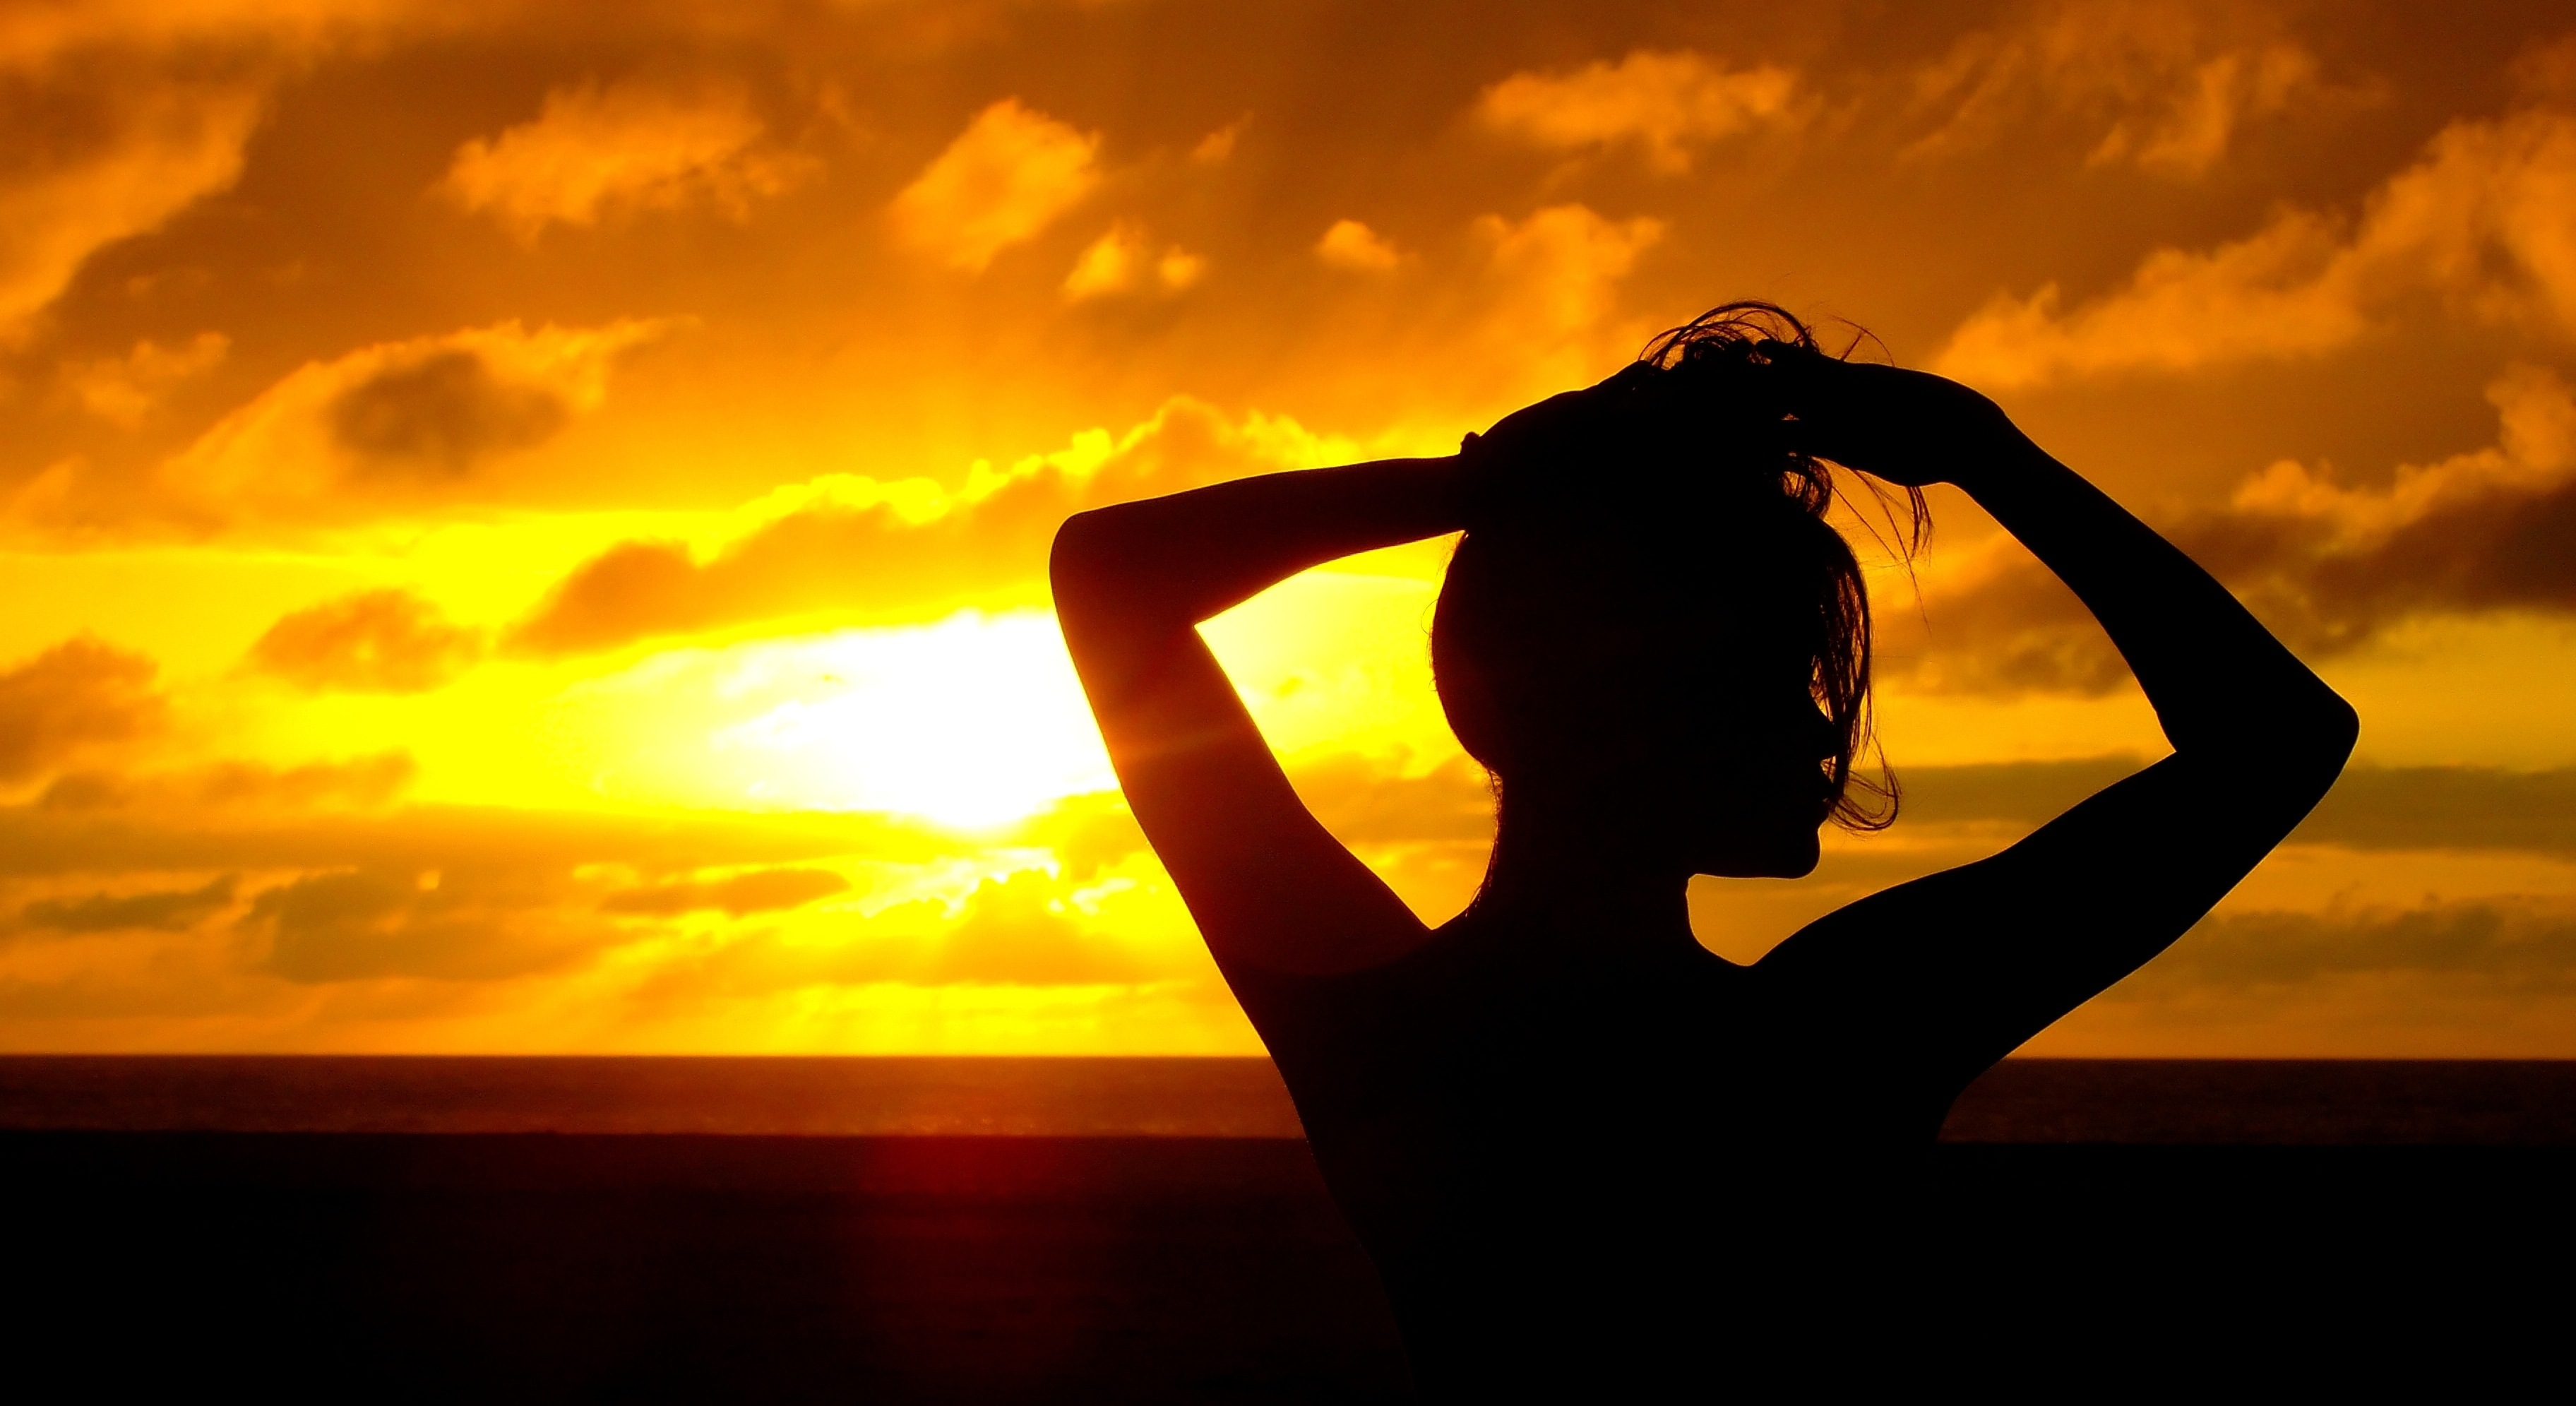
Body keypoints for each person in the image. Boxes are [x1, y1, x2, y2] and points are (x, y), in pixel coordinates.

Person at [1049, 304, 2357, 1395]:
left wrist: (1484, 485)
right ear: (1646, 712)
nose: (1821, 726)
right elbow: (2277, 740)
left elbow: (1113, 574)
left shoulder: (1382, 1027)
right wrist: (1988, 456)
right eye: (1778, 676)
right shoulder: (1835, 1035)